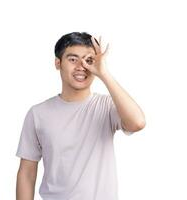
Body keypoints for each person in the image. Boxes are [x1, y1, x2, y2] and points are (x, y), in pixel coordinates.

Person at [15, 32, 146, 200]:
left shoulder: (106, 107)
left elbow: (138, 122)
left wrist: (104, 73)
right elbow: (27, 172)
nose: (81, 66)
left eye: (89, 60)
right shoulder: (38, 113)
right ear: (58, 63)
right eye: (73, 59)